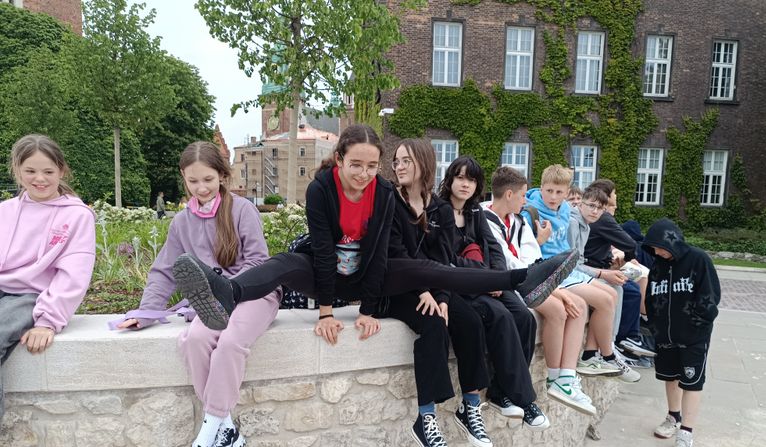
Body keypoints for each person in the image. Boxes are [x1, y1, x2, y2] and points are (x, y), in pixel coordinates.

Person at [172, 125, 578, 343]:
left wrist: (366, 310)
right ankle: (228, 294)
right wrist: (326, 313)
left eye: (371, 166)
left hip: (369, 276)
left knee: (427, 269)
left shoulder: (383, 193)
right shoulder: (321, 189)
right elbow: (324, 253)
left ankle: (521, 280)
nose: (364, 173)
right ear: (339, 160)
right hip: (325, 276)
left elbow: (381, 254)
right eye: (356, 165)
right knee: (284, 262)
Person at [117, 141, 281, 447]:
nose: (201, 188)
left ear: (222, 176)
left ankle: (203, 442)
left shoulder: (242, 210)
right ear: (184, 179)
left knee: (230, 344)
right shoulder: (182, 222)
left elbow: (258, 262)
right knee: (193, 340)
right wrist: (145, 313)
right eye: (193, 181)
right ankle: (226, 429)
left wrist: (225, 287)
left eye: (208, 179)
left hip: (254, 294)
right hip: (212, 304)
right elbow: (164, 271)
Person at [385, 140, 493, 447]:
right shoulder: (390, 201)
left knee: (469, 320)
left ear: (423, 163)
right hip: (399, 288)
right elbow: (396, 255)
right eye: (396, 161)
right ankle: (426, 418)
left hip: (434, 285)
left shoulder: (441, 210)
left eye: (406, 160)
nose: (399, 166)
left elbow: (444, 258)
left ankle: (469, 405)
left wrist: (443, 297)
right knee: (433, 325)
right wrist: (424, 292)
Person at [0, 134, 96, 447]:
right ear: (17, 171)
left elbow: (73, 275)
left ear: (61, 171)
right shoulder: (5, 211)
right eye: (30, 171)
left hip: (31, 295)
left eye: (48, 172)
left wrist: (47, 321)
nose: (39, 179)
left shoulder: (77, 216)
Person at [438, 157, 550, 429]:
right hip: (463, 283)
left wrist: (498, 277)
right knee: (500, 317)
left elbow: (494, 248)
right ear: (450, 180)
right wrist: (483, 277)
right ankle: (525, 399)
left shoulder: (475, 212)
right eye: (460, 177)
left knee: (524, 318)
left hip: (489, 279)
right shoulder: (439, 212)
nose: (465, 184)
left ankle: (501, 393)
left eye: (471, 179)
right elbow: (446, 257)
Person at [483, 167, 595, 416]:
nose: (526, 201)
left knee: (577, 305)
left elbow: (531, 256)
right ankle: (550, 379)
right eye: (524, 195)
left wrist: (553, 287)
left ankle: (565, 377)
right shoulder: (484, 219)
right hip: (508, 282)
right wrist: (556, 292)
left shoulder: (519, 221)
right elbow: (508, 262)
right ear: (509, 195)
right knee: (556, 310)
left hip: (525, 279)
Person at [523, 165, 627, 380]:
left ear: (567, 192)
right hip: (549, 272)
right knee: (602, 301)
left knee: (612, 294)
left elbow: (566, 247)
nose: (553, 197)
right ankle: (606, 356)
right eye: (549, 191)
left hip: (567, 268)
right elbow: (525, 252)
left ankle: (591, 354)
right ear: (541, 187)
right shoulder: (531, 212)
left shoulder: (563, 210)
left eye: (559, 192)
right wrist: (539, 240)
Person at [643, 218, 720, 447]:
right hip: (665, 337)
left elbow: (710, 296)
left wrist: (697, 323)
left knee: (692, 382)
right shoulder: (658, 265)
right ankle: (673, 416)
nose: (656, 252)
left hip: (694, 337)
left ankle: (686, 432)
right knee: (670, 377)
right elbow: (652, 298)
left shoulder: (699, 259)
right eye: (653, 248)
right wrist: (655, 326)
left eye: (659, 247)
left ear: (672, 241)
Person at [568, 185, 641, 383]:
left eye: (599, 208)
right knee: (609, 294)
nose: (594, 211)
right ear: (581, 204)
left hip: (576, 272)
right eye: (591, 206)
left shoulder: (585, 224)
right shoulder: (574, 223)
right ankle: (608, 354)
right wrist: (602, 273)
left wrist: (607, 270)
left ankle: (593, 352)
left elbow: (577, 262)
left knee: (615, 289)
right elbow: (570, 265)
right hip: (564, 276)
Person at [582, 179, 652, 361]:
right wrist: (626, 259)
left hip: (596, 266)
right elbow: (629, 244)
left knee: (627, 285)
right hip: (590, 269)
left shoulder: (597, 216)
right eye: (614, 193)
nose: (616, 196)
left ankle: (607, 347)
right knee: (627, 290)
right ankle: (619, 342)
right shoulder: (601, 217)